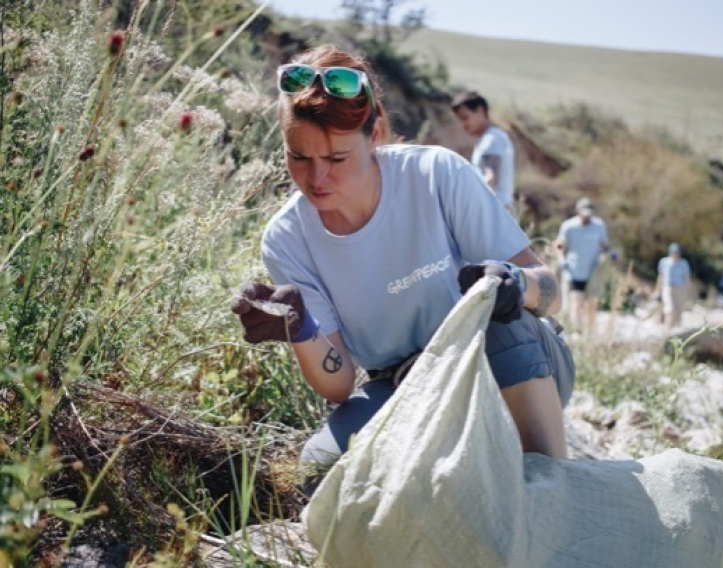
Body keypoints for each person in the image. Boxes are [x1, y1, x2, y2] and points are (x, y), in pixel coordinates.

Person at [230, 46, 574, 469]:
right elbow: (338, 386)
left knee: (501, 322)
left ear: (374, 135)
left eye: (337, 158)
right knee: (323, 467)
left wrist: (515, 285)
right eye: (298, 157)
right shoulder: (286, 239)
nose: (316, 179)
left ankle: (555, 481)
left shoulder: (437, 175)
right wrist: (301, 329)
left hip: (508, 360)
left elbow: (551, 293)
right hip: (405, 385)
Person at [451, 91, 517, 217]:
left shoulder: (491, 140)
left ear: (480, 111)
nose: (463, 125)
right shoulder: (492, 138)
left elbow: (491, 178)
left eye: (465, 118)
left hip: (494, 213)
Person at [554, 197, 609, 332]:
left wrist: (607, 255)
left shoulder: (599, 226)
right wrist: (561, 259)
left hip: (592, 271)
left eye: (589, 214)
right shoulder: (569, 226)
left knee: (592, 302)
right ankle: (577, 330)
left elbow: (605, 245)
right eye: (584, 214)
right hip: (574, 270)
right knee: (576, 301)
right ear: (578, 212)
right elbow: (559, 245)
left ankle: (590, 331)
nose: (587, 217)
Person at [654, 243, 691, 328]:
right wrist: (657, 290)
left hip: (679, 288)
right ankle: (667, 328)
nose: (676, 254)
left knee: (679, 309)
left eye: (677, 252)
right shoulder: (664, 262)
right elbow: (661, 277)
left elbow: (686, 278)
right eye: (674, 252)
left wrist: (687, 290)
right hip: (667, 287)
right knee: (669, 308)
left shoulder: (683, 264)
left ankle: (677, 329)